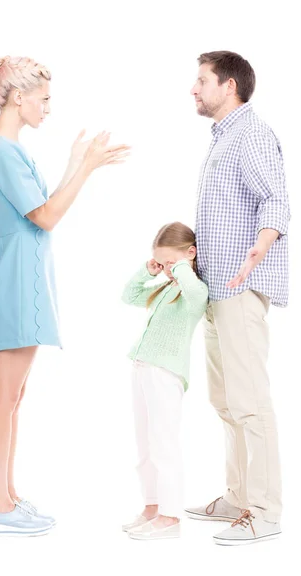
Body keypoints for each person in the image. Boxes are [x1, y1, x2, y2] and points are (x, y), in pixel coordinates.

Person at [0, 55, 130, 537]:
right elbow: (45, 217)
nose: (48, 108)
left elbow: (41, 209)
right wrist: (84, 169)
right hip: (16, 281)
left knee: (13, 398)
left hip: (24, 278)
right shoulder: (1, 150)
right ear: (18, 96)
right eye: (44, 99)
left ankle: (7, 498)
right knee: (3, 398)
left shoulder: (11, 149)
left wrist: (74, 165)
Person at [185, 51, 290, 546]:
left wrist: (260, 246)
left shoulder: (251, 134)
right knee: (225, 400)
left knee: (250, 404)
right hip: (215, 287)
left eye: (201, 81)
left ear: (228, 86)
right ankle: (239, 495)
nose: (194, 89)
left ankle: (266, 512)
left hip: (241, 286)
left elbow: (276, 200)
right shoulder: (224, 138)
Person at [121, 222, 208, 541]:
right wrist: (150, 270)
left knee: (163, 445)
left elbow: (198, 295)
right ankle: (152, 506)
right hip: (143, 368)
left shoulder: (192, 289)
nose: (168, 269)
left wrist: (181, 267)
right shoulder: (167, 286)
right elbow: (129, 295)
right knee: (145, 445)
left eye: (172, 263)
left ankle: (170, 517)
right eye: (163, 263)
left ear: (189, 255)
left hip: (165, 373)